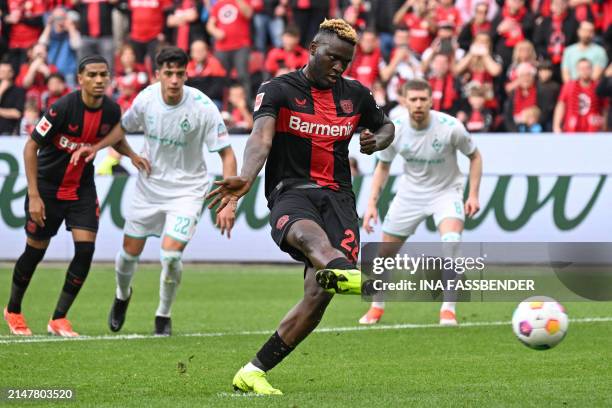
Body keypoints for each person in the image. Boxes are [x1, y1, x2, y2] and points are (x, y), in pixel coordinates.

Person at [207, 19, 394, 395]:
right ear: (312, 49)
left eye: (346, 61)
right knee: (314, 243)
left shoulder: (355, 94)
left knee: (319, 294)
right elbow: (261, 137)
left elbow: (387, 125)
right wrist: (246, 175)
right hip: (290, 191)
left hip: (339, 198)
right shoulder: (277, 90)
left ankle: (252, 371)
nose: (339, 67)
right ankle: (356, 277)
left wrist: (379, 140)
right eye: (333, 58)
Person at [72, 47, 238, 336]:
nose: (174, 80)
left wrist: (229, 200)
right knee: (128, 254)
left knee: (171, 256)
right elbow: (121, 129)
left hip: (188, 190)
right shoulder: (146, 99)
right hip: (149, 188)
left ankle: (163, 314)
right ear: (157, 74)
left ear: (187, 74)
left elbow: (227, 154)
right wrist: (99, 148)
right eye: (168, 73)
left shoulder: (202, 107)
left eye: (179, 74)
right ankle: (123, 294)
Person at [3, 55, 149, 337]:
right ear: (80, 78)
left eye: (103, 75)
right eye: (92, 75)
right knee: (35, 251)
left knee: (85, 250)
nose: (98, 80)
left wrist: (131, 155)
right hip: (47, 188)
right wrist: (33, 195)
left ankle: (59, 318)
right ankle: (13, 309)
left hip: (81, 189)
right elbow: (30, 148)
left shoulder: (110, 110)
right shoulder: (62, 108)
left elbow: (115, 136)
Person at [359, 79, 482, 326]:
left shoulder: (451, 127)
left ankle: (448, 309)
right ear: (404, 101)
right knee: (385, 253)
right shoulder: (395, 130)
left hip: (446, 192)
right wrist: (371, 204)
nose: (418, 104)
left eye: (422, 99)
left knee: (451, 241)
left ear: (430, 100)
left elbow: (475, 157)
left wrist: (473, 195)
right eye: (412, 99)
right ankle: (377, 306)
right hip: (410, 194)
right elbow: (383, 167)